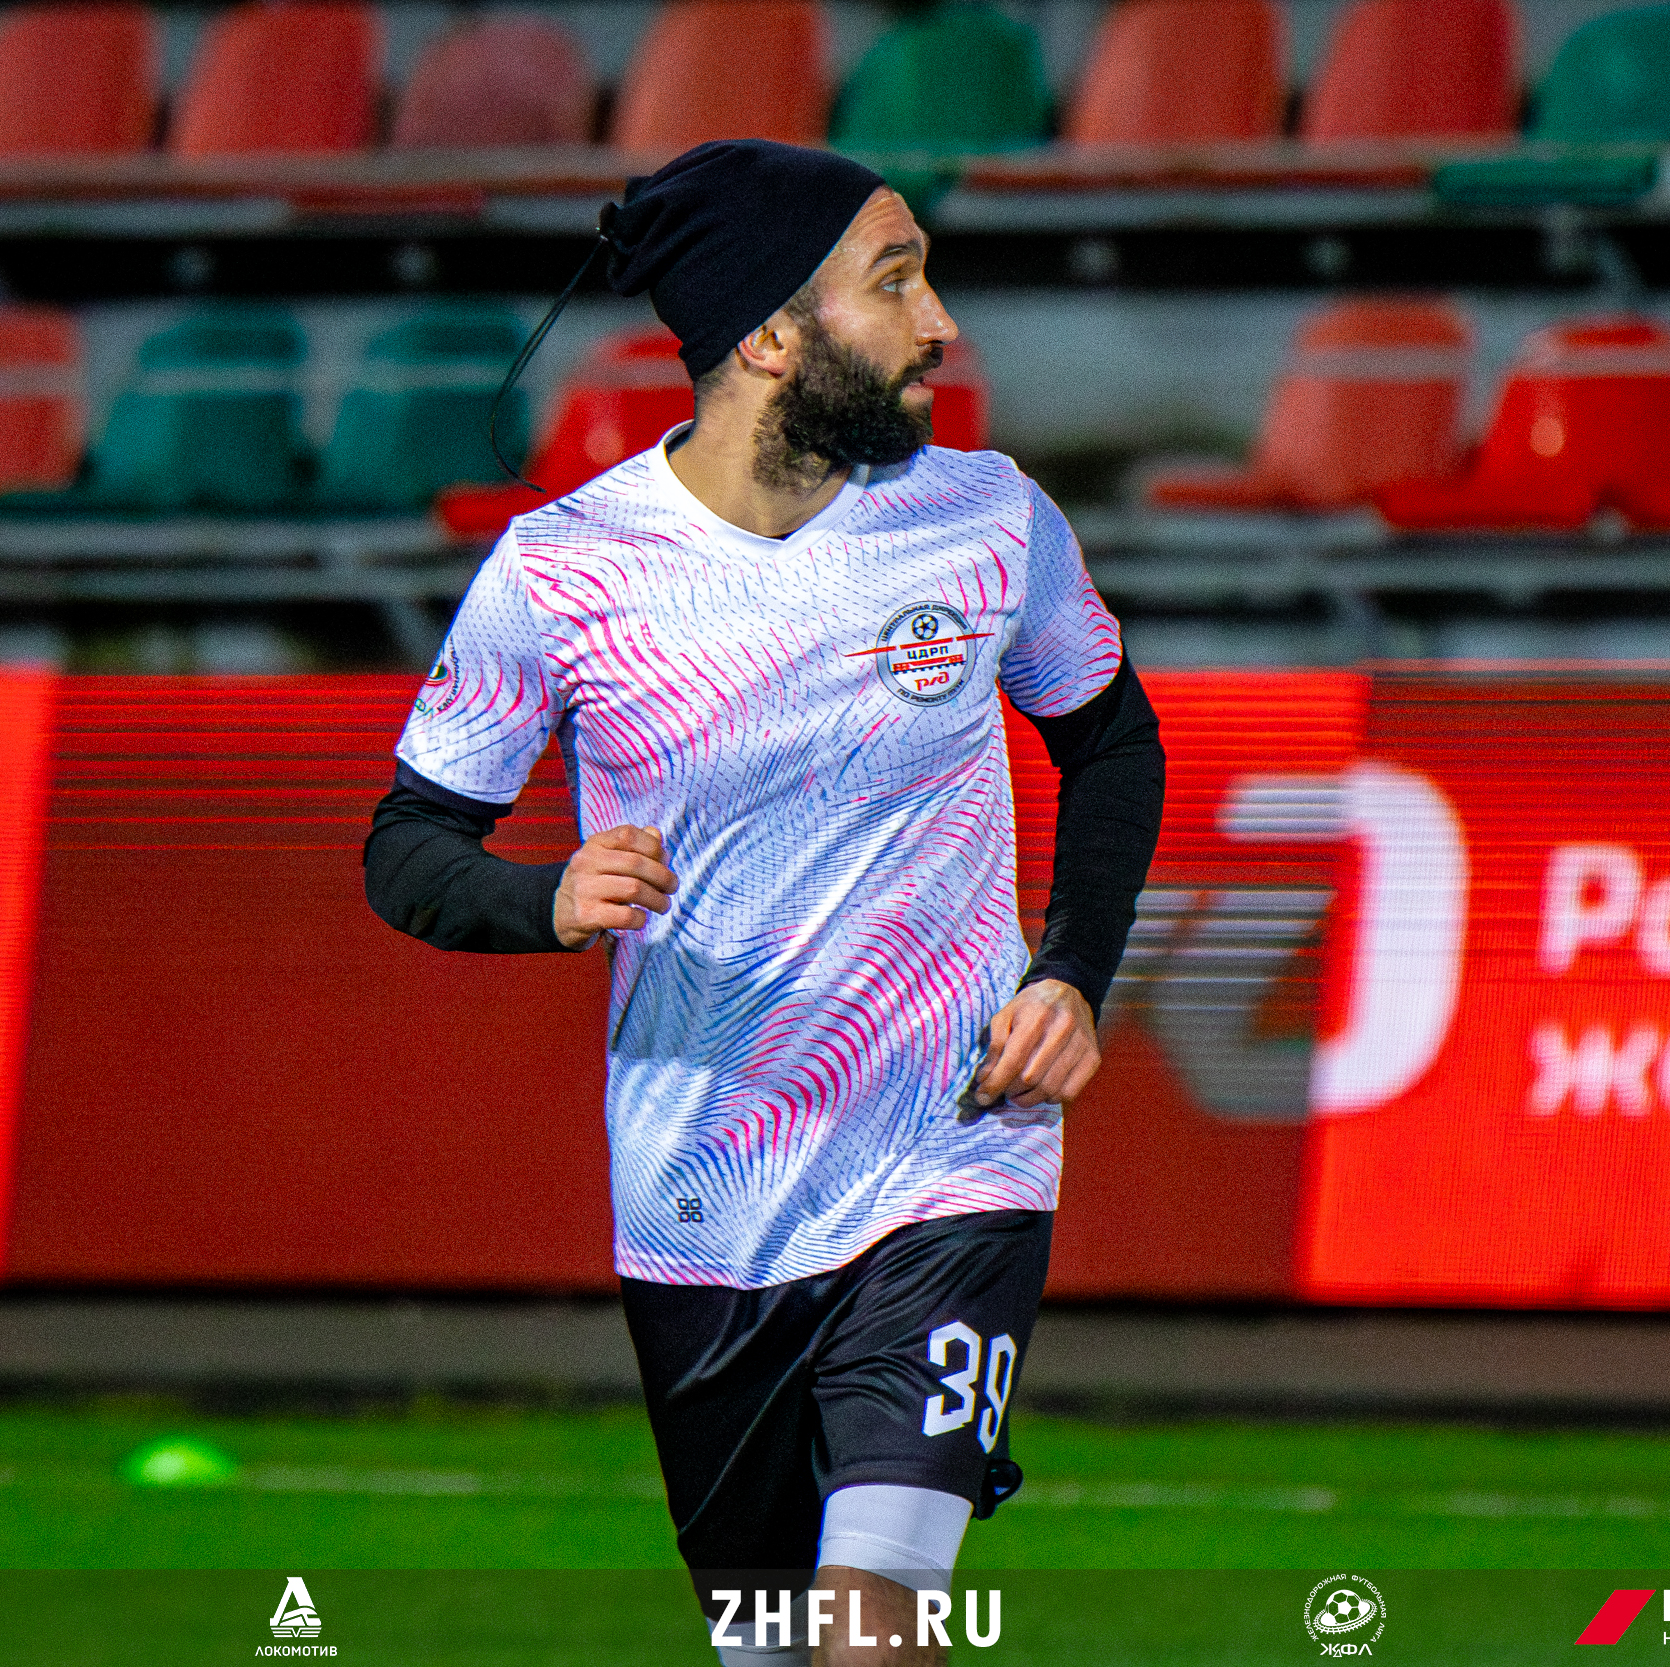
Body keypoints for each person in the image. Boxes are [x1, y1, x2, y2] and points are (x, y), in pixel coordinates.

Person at [364, 138, 1164, 1666]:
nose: (939, 325)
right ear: (771, 337)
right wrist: (545, 898)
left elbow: (1110, 740)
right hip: (702, 1200)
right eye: (895, 281)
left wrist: (1069, 972)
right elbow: (407, 846)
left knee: (872, 1630)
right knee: (771, 1648)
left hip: (951, 1158)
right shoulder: (564, 573)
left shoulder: (990, 521)